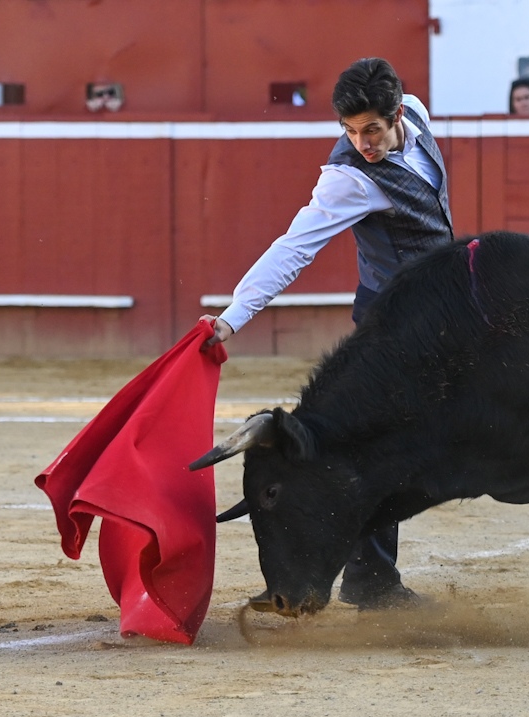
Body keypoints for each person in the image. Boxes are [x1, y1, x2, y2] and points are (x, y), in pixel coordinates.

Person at [201, 57, 453, 611]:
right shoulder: (347, 179)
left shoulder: (418, 115)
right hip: (392, 329)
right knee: (379, 447)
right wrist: (232, 317)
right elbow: (294, 247)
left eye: (371, 130)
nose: (360, 142)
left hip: (443, 318)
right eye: (348, 131)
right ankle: (371, 581)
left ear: (398, 114)